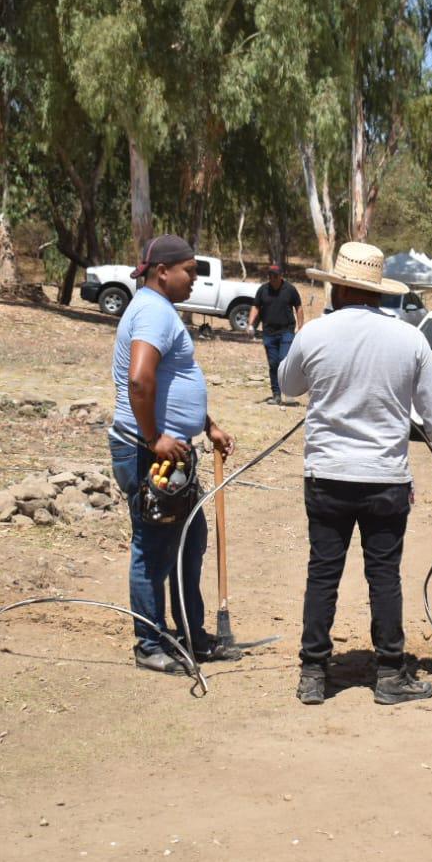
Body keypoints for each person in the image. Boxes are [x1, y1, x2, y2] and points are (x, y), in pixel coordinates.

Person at [279, 241, 432, 706]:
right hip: (384, 478)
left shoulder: (315, 333)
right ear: (378, 292)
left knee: (323, 573)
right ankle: (391, 673)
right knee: (384, 575)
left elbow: (288, 386)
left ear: (337, 287)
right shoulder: (409, 338)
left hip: (326, 474)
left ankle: (313, 674)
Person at [108, 233, 241, 674]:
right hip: (152, 456)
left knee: (188, 542)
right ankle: (149, 642)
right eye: (190, 271)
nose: (195, 280)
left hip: (172, 453)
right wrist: (153, 438)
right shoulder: (152, 311)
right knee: (154, 547)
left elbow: (170, 384)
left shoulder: (161, 311)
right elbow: (141, 381)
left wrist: (207, 424)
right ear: (161, 271)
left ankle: (190, 634)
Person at [251, 263, 304, 404]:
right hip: (268, 332)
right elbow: (256, 306)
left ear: (281, 276)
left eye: (275, 276)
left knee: (284, 361)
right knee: (273, 364)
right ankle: (276, 395)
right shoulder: (263, 290)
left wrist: (301, 327)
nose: (272, 278)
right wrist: (251, 324)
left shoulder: (290, 290)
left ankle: (288, 394)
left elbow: (298, 307)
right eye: (270, 275)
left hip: (286, 331)